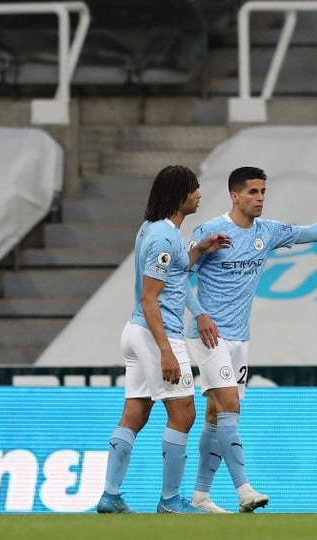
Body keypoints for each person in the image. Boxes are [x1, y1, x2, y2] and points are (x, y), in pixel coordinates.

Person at [185, 166, 317, 513]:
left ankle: (200, 496)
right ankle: (245, 490)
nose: (260, 198)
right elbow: (181, 275)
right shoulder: (210, 231)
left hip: (239, 338)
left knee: (216, 415)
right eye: (253, 192)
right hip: (208, 335)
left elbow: (315, 232)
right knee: (231, 407)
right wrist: (200, 314)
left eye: (263, 192)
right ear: (235, 196)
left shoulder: (268, 231)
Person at [96, 165, 231, 514]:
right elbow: (149, 298)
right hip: (157, 334)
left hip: (136, 332)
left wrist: (199, 250)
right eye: (194, 189)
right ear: (178, 195)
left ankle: (110, 496)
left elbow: (172, 272)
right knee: (184, 414)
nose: (199, 194)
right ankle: (170, 501)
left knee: (135, 414)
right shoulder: (163, 238)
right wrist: (166, 350)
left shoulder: (152, 230)